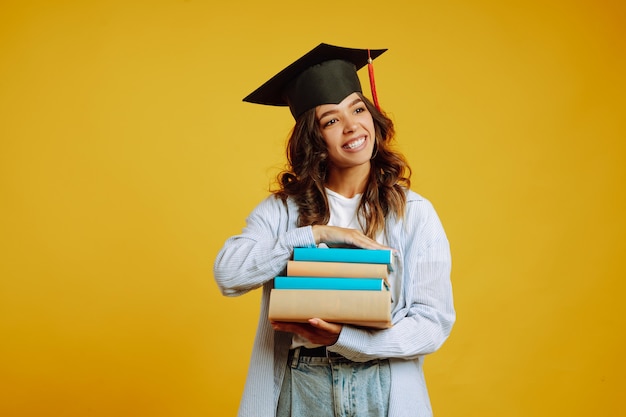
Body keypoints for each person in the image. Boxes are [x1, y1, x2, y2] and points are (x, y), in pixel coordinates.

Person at [214, 43, 455, 417]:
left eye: (358, 109)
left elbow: (432, 324)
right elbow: (228, 275)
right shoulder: (282, 211)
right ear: (314, 138)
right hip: (302, 384)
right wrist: (313, 235)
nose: (352, 126)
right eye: (331, 120)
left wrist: (345, 339)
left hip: (382, 383)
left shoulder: (415, 214)